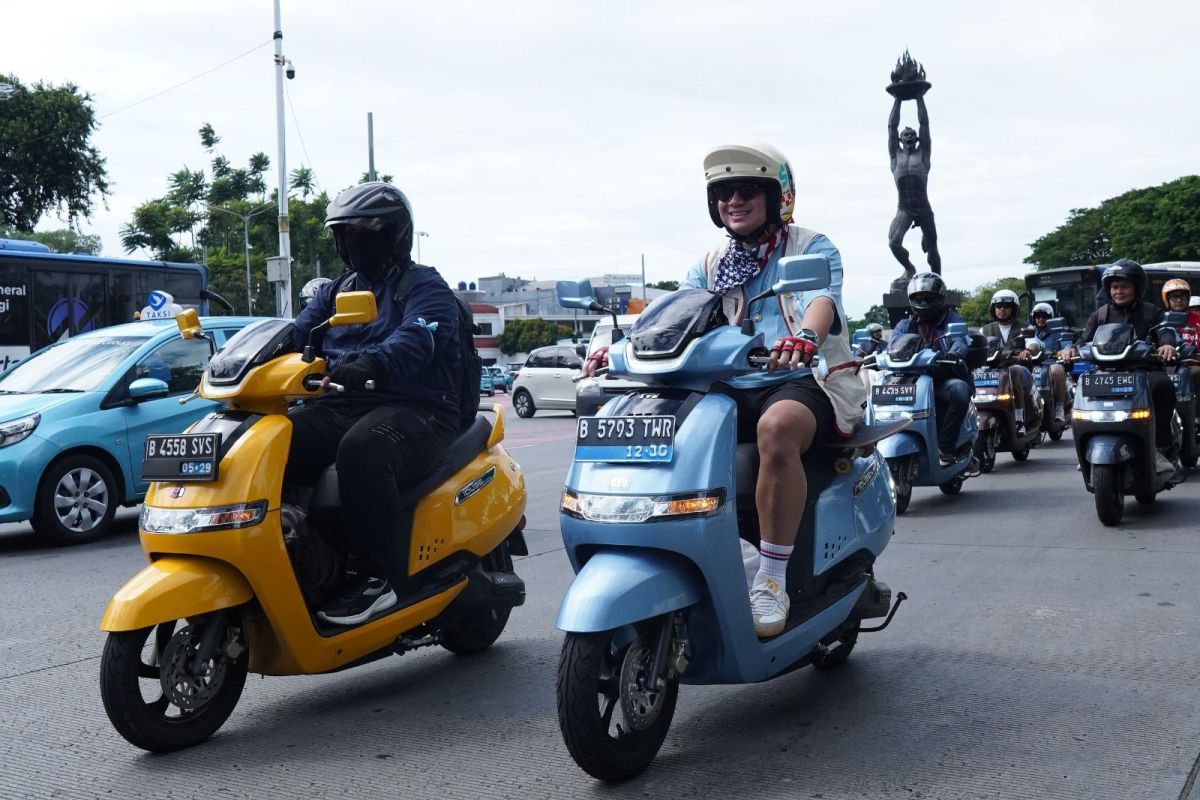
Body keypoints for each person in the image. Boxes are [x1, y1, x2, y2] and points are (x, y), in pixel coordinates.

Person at [583, 143, 865, 638]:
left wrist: (805, 337)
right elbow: (678, 316)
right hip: (727, 383)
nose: (734, 200)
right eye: (723, 192)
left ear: (777, 196)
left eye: (748, 189)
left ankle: (771, 579)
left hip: (801, 378)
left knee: (777, 429)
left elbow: (821, 299)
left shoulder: (811, 247)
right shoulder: (711, 264)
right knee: (657, 424)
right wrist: (622, 348)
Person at [284, 182, 463, 626]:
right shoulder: (335, 291)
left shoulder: (425, 286)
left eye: (361, 233)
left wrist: (371, 363)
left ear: (394, 235)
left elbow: (417, 338)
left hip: (419, 409)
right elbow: (296, 334)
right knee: (276, 437)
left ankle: (372, 578)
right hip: (344, 404)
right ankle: (295, 549)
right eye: (343, 234)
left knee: (364, 449)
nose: (350, 243)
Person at [1064, 260, 1178, 472]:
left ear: (1137, 287)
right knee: (1080, 393)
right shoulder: (1100, 315)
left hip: (1143, 371)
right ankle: (1086, 446)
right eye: (1114, 287)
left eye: (1124, 286)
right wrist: (1071, 349)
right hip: (1105, 373)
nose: (1118, 291)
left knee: (1163, 386)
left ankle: (1161, 447)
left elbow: (1165, 331)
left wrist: (1167, 345)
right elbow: (1084, 340)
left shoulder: (1151, 312)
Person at [891, 273, 972, 465]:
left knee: (960, 391)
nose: (923, 302)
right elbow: (892, 346)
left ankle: (945, 448)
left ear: (940, 298)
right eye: (919, 298)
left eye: (928, 298)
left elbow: (960, 341)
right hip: (910, 380)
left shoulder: (952, 319)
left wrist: (953, 354)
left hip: (943, 377)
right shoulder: (904, 325)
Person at [887, 94, 940, 283]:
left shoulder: (923, 154)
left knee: (932, 247)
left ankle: (937, 278)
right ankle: (909, 269)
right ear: (900, 140)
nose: (909, 137)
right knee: (894, 243)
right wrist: (897, 99)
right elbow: (891, 127)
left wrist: (919, 97)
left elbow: (924, 124)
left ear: (917, 139)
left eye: (912, 135)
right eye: (906, 135)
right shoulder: (895, 156)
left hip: (923, 207)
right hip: (905, 208)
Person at [980, 289, 1036, 434]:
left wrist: (1028, 350)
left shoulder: (1025, 327)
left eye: (1006, 306)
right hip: (994, 370)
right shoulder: (984, 330)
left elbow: (1034, 343)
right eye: (998, 306)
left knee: (1014, 371)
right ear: (993, 308)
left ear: (1014, 308)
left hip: (1020, 369)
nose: (1002, 309)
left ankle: (1019, 420)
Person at [1161, 278, 1200, 418]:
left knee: (1197, 373)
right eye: (1174, 297)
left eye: (1182, 297)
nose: (1178, 300)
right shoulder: (1160, 319)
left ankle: (1196, 416)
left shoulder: (1197, 319)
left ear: (1188, 299)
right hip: (1165, 365)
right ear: (1167, 299)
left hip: (1193, 364)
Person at [1027, 302, 1068, 422]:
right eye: (1037, 316)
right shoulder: (1030, 333)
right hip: (1033, 365)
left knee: (1057, 370)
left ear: (1051, 318)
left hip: (1051, 364)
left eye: (1044, 316)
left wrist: (1062, 352)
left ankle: (1059, 407)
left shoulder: (1059, 331)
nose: (1040, 319)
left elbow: (1067, 347)